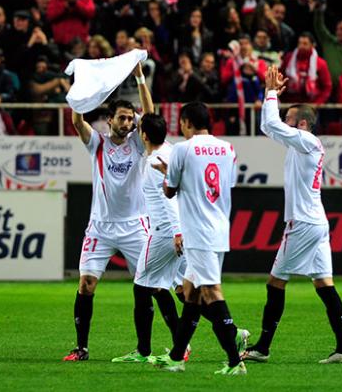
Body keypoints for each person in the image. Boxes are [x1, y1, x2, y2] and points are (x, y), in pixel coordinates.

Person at [242, 65, 342, 364]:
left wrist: (270, 94)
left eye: (289, 119)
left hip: (302, 223)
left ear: (302, 124)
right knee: (324, 284)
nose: (284, 123)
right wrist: (273, 98)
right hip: (315, 222)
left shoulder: (306, 142)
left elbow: (272, 124)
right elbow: (270, 126)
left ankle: (262, 347)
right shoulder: (300, 144)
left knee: (275, 282)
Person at [62, 63, 154, 362]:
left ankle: (147, 348)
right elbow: (77, 121)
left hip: (134, 227)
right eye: (123, 118)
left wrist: (139, 77)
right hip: (100, 228)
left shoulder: (138, 146)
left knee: (147, 286)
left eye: (130, 118)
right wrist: (80, 91)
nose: (128, 122)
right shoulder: (97, 143)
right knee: (86, 284)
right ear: (110, 120)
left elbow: (151, 117)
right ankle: (81, 347)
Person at [150, 101, 249, 375]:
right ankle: (176, 356)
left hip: (198, 231)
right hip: (218, 226)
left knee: (211, 291)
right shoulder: (227, 149)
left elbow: (169, 191)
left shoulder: (182, 149)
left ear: (185, 122)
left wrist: (165, 174)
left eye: (181, 123)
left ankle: (234, 361)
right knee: (191, 293)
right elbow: (224, 186)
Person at [110, 113, 188, 364]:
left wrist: (176, 232)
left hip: (165, 232)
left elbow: (170, 200)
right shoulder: (171, 151)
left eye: (138, 128)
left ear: (144, 135)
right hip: (178, 231)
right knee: (170, 289)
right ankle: (231, 332)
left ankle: (145, 351)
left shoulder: (156, 162)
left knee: (141, 286)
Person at [280, 33, 332, 104]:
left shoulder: (320, 63)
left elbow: (327, 87)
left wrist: (316, 104)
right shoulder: (288, 59)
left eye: (305, 44)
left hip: (311, 104)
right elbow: (280, 78)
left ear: (312, 45)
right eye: (299, 43)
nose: (301, 46)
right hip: (289, 103)